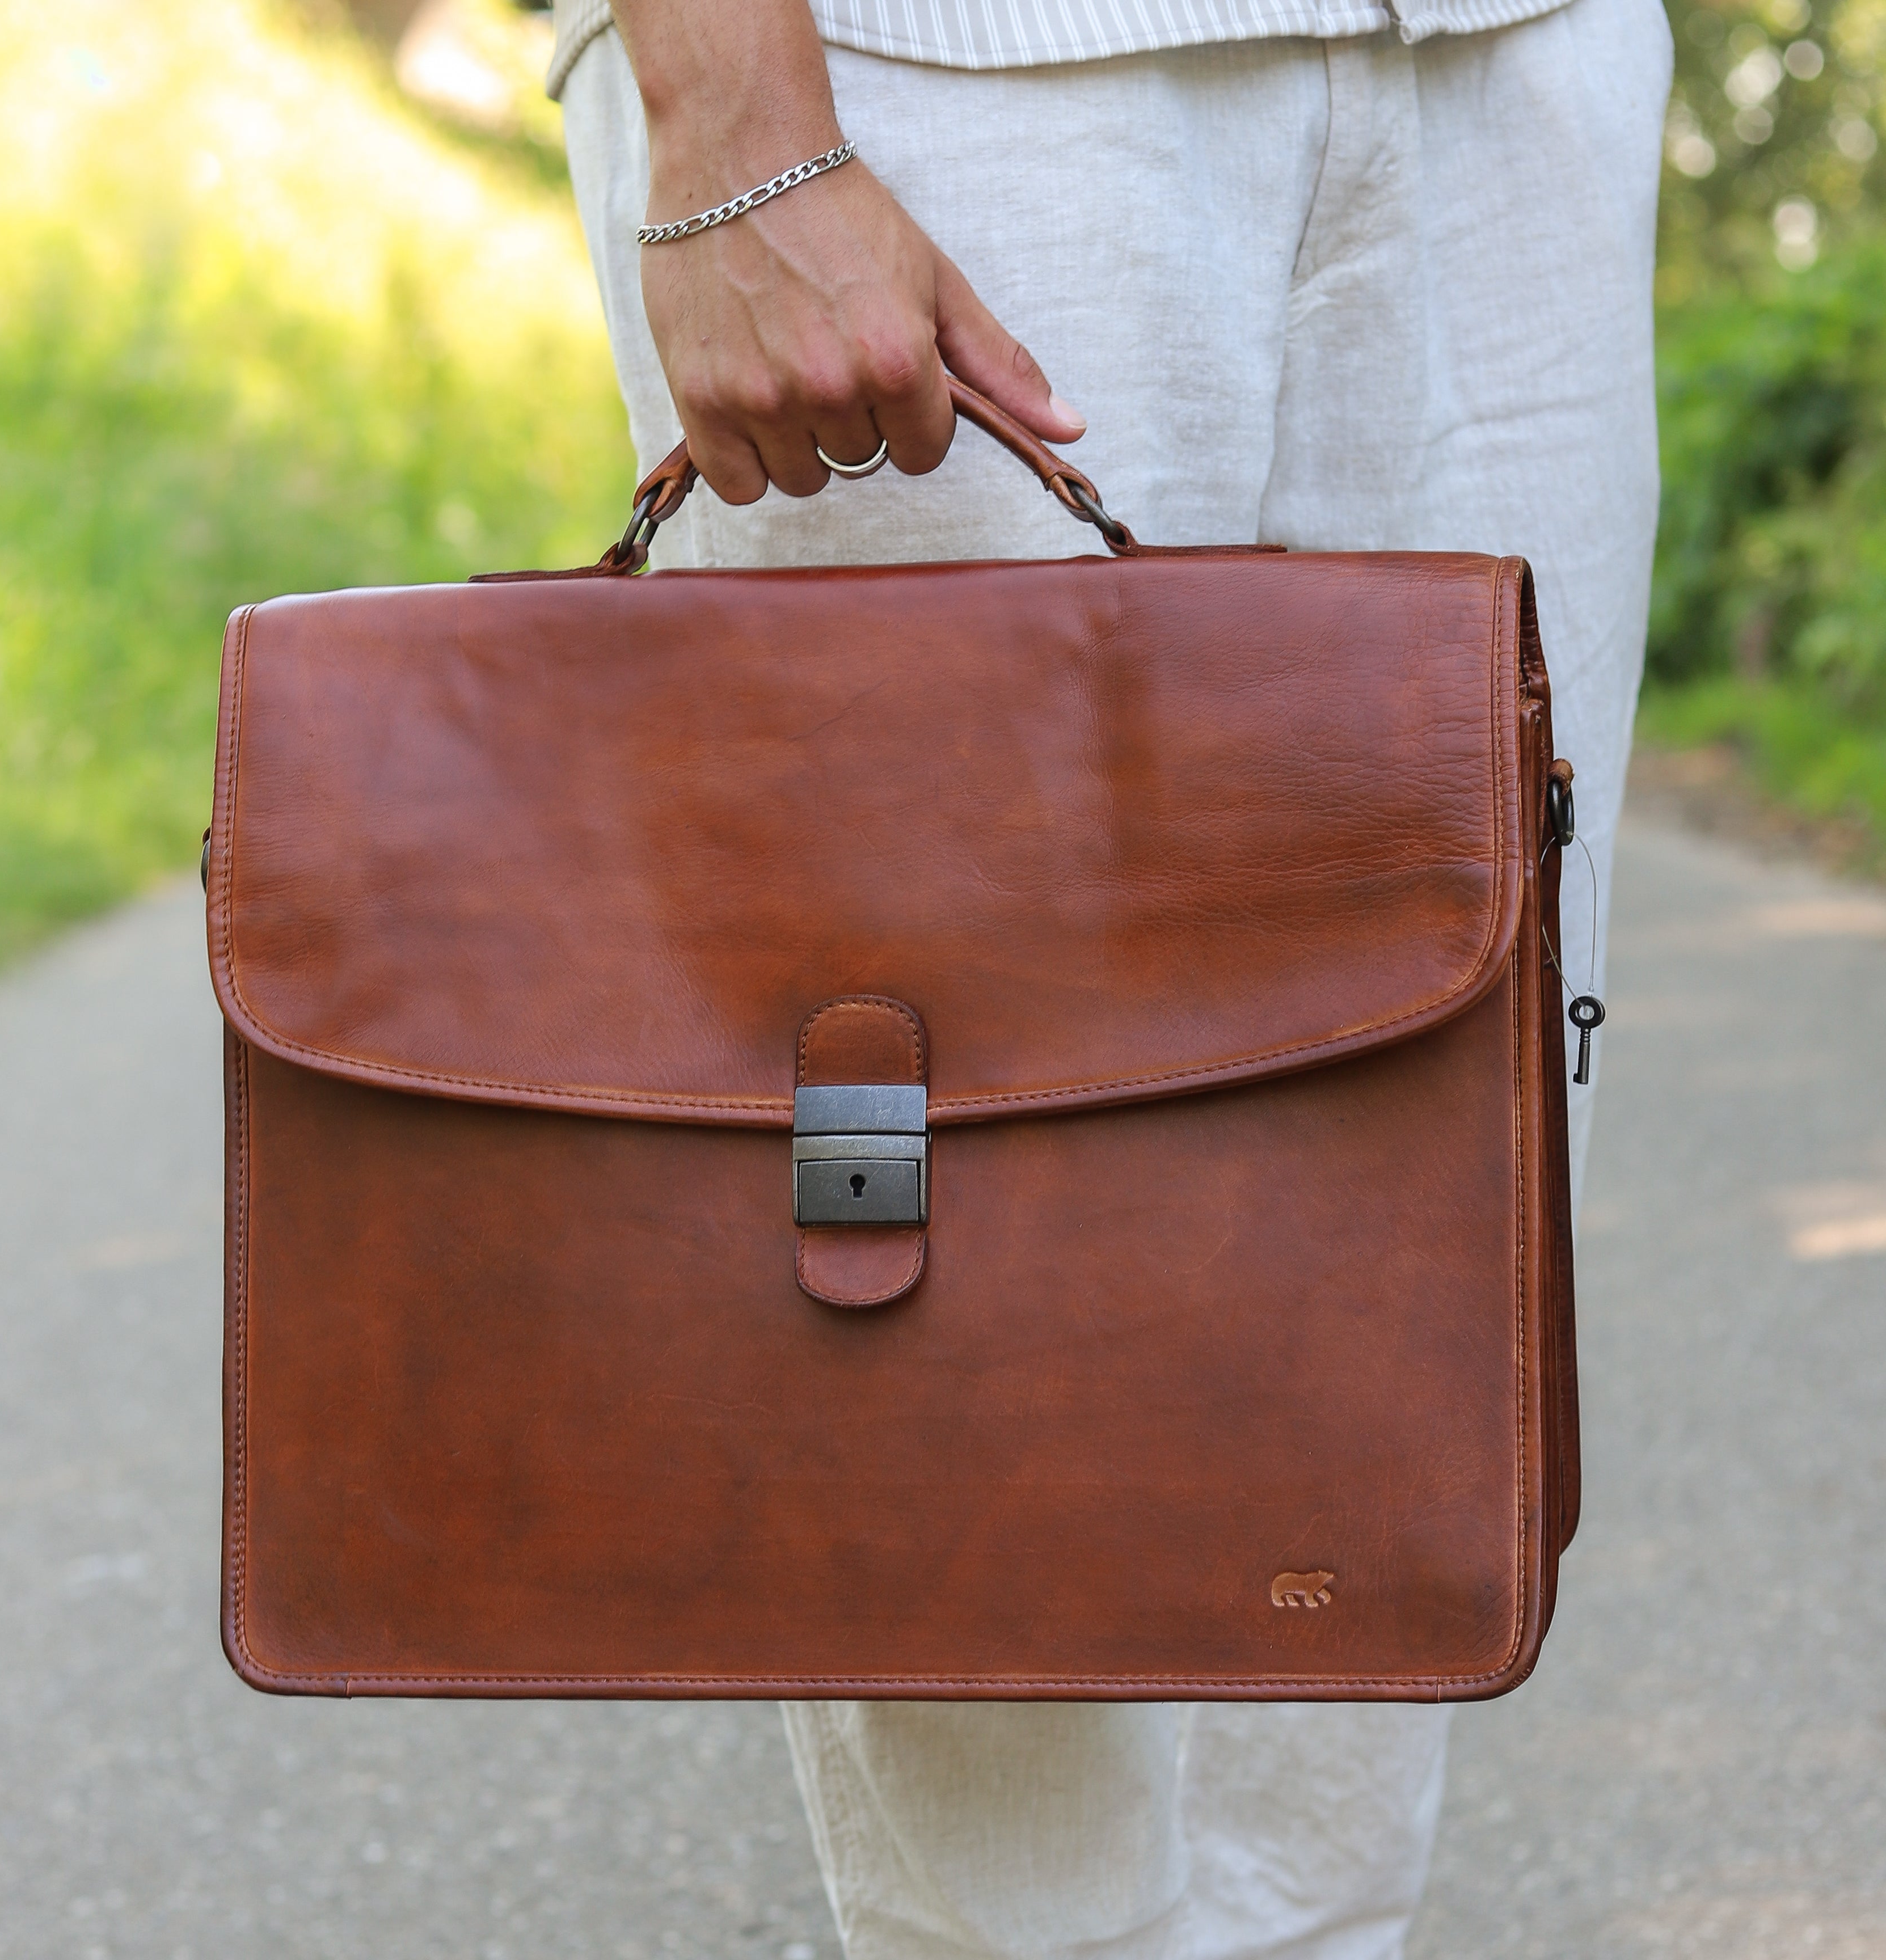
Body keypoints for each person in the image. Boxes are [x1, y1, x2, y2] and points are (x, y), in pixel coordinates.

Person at [548, 0, 1670, 1952]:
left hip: (1519, 63)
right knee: (946, 1224)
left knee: (1425, 1197)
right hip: (934, 74)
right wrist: (731, 107)